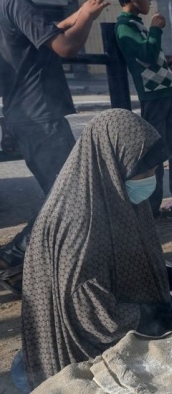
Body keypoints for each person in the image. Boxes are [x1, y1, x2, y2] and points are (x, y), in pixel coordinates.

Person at [19, 109, 172, 389]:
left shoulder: (117, 197)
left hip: (119, 328)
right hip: (83, 359)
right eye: (145, 170)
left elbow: (126, 269)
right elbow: (90, 316)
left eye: (155, 169)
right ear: (114, 163)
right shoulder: (79, 223)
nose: (151, 177)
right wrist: (171, 313)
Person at [0, 0, 110, 294]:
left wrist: (82, 10)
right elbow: (65, 47)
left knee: (63, 196)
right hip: (40, 116)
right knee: (70, 197)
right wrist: (88, 16)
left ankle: (21, 266)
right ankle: (13, 256)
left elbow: (52, 30)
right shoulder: (16, 2)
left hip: (27, 116)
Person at [116, 0, 172, 217]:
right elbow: (147, 54)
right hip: (153, 96)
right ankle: (152, 205)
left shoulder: (135, 23)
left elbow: (150, 60)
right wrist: (156, 28)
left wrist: (168, 66)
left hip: (167, 91)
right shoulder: (124, 27)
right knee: (155, 151)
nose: (149, 1)